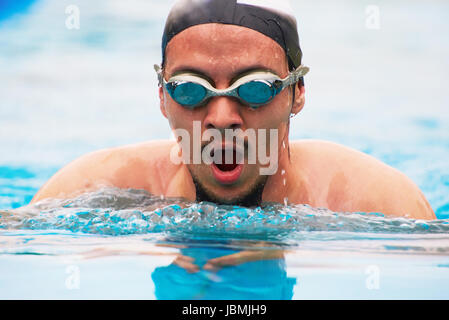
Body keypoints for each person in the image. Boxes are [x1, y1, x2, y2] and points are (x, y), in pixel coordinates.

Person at [30, 0, 435, 220]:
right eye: (190, 89)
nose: (222, 118)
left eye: (255, 88)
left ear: (298, 93)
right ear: (161, 96)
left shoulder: (376, 202)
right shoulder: (90, 189)